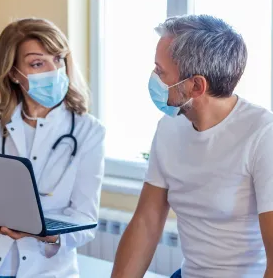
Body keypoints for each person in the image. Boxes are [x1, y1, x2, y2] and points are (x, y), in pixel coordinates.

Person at [111, 14, 273, 278]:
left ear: (196, 85)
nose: (154, 78)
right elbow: (147, 222)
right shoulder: (169, 127)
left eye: (161, 72)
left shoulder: (263, 133)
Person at [0, 18, 105, 278]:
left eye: (58, 59)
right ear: (12, 73)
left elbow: (85, 220)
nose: (53, 70)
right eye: (37, 63)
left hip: (49, 272)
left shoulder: (89, 131)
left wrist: (47, 235)